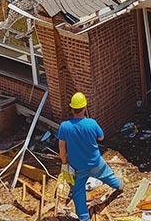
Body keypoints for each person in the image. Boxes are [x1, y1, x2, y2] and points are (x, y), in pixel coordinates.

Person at [57, 92, 122, 221]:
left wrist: (64, 163)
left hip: (78, 167)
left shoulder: (64, 126)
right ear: (85, 107)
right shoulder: (92, 123)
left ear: (72, 109)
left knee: (78, 192)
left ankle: (84, 217)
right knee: (109, 176)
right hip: (96, 163)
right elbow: (101, 137)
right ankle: (119, 186)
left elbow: (62, 148)